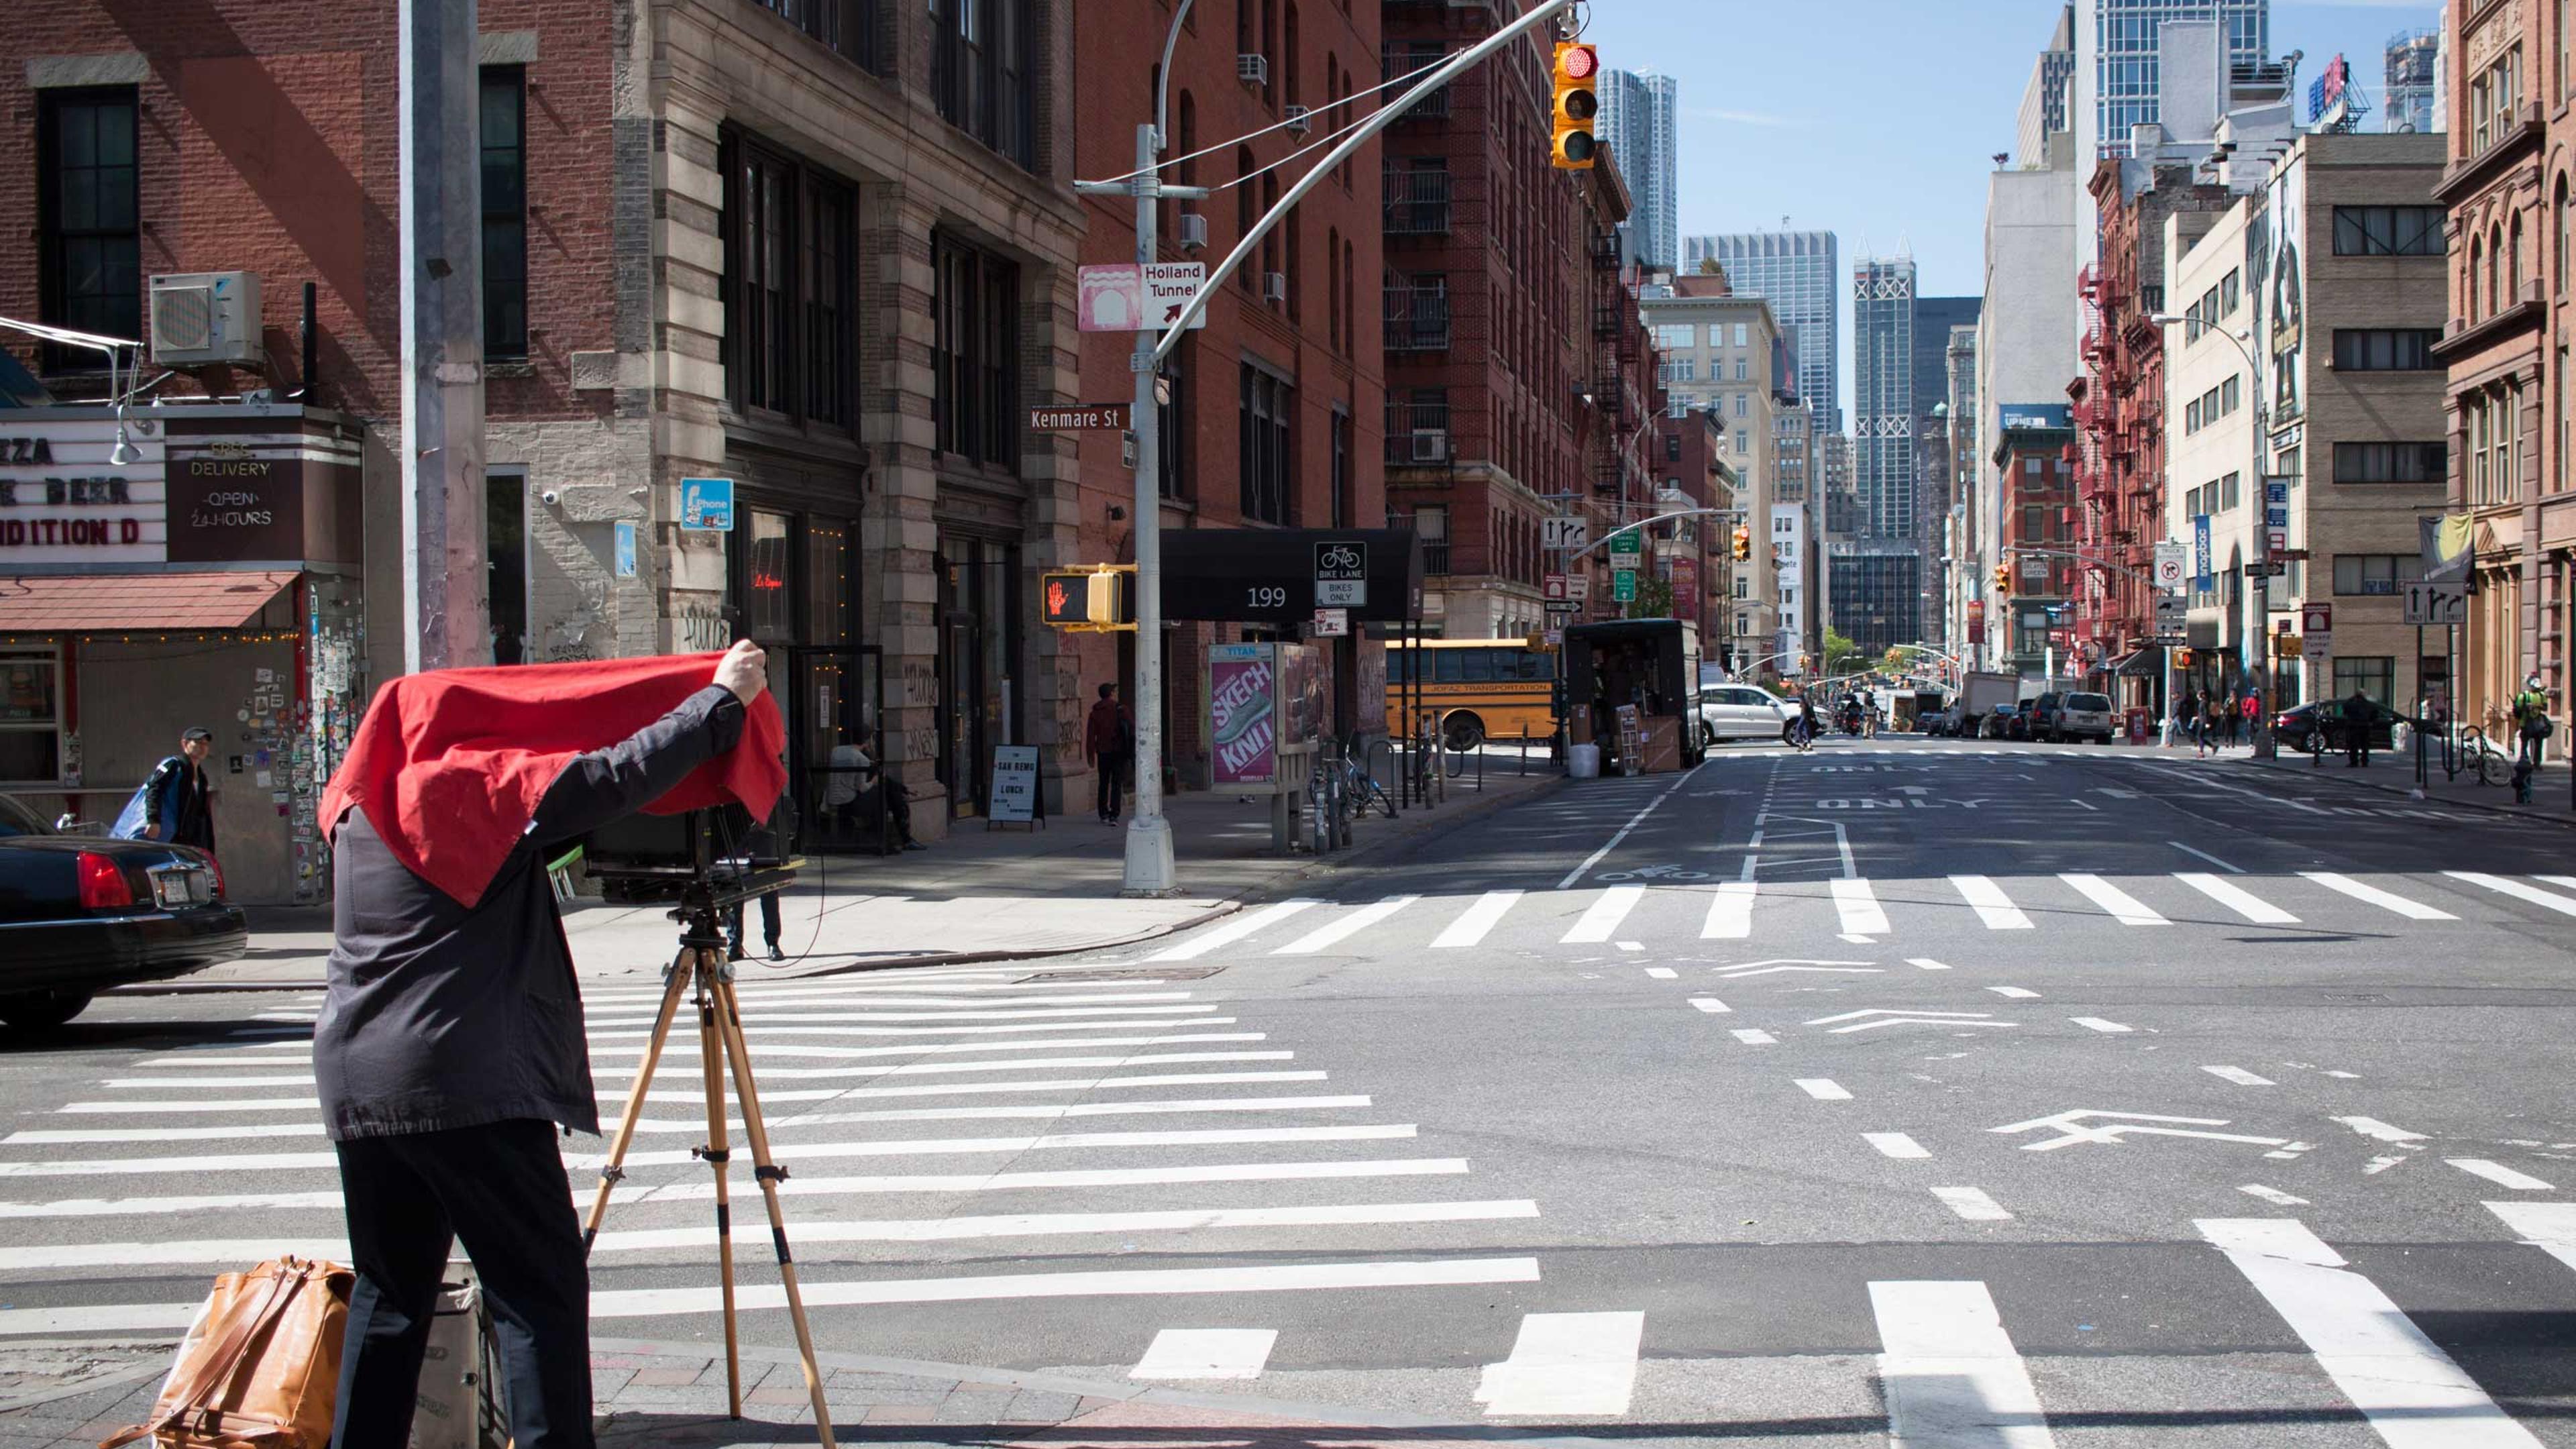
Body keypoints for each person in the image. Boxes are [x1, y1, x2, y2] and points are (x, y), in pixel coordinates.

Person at [312, 641, 779, 1449]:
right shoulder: (458, 787)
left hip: (361, 1076)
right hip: (461, 1077)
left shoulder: (358, 809)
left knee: (391, 1297)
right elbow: (605, 781)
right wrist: (718, 704)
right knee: (538, 1292)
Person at [723, 786, 793, 962]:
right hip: (736, 830)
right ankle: (735, 944)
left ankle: (773, 942)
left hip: (763, 831)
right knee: (734, 890)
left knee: (768, 888)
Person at [828, 727, 925, 851]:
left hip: (833, 799)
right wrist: (873, 782)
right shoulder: (861, 759)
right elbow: (863, 788)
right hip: (848, 802)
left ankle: (903, 794)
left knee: (887, 788)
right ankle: (892, 840)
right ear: (868, 741)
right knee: (883, 795)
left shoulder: (836, 750)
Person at [131, 726, 217, 852]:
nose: (203, 747)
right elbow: (154, 789)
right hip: (171, 835)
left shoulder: (202, 777)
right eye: (198, 742)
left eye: (205, 744)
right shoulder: (174, 765)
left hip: (191, 837)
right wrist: (153, 820)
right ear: (185, 744)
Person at [1085, 682, 1134, 825]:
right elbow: (1132, 728)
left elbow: (1090, 736)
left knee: (1103, 783)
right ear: (1111, 694)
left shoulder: (1095, 712)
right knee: (1117, 783)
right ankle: (1114, 814)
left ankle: (1103, 813)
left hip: (1103, 752)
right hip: (1118, 751)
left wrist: (1090, 755)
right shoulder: (1121, 709)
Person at [2512, 672, 2553, 775]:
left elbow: (2545, 707)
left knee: (2539, 744)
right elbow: (2517, 709)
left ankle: (2537, 763)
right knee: (2524, 743)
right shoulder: (2523, 696)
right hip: (2525, 723)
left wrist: (2537, 706)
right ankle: (2524, 761)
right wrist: (2526, 707)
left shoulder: (2541, 695)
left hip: (2538, 723)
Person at [2341, 689, 2377, 767]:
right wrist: (2371, 721)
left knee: (2354, 745)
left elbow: (2345, 708)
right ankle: (2365, 761)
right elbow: (2375, 714)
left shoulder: (2351, 704)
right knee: (2365, 746)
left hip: (2354, 726)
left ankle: (2354, 762)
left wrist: (2352, 698)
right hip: (2365, 726)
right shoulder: (2368, 704)